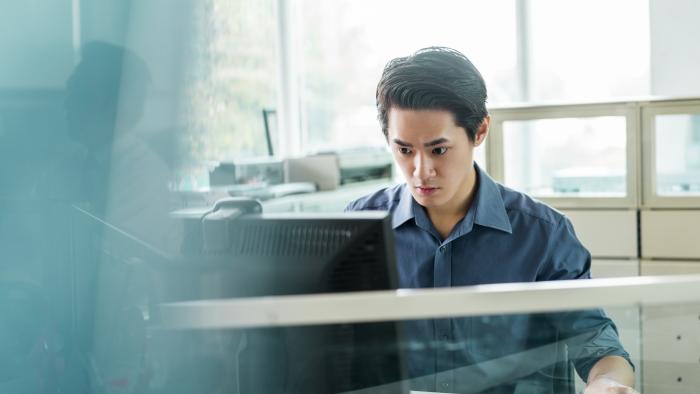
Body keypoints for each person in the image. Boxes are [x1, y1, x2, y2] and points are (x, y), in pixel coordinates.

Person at [346, 47, 637, 394]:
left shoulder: (543, 235)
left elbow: (599, 348)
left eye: (439, 149)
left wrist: (606, 385)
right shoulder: (359, 226)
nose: (421, 171)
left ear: (480, 130)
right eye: (405, 150)